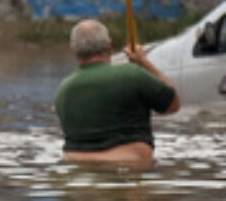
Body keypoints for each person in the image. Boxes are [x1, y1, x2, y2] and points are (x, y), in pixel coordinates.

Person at [54, 19, 180, 167]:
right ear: (110, 46)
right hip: (129, 169)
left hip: (76, 172)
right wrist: (143, 62)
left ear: (74, 50)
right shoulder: (132, 74)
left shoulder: (63, 89)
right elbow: (173, 103)